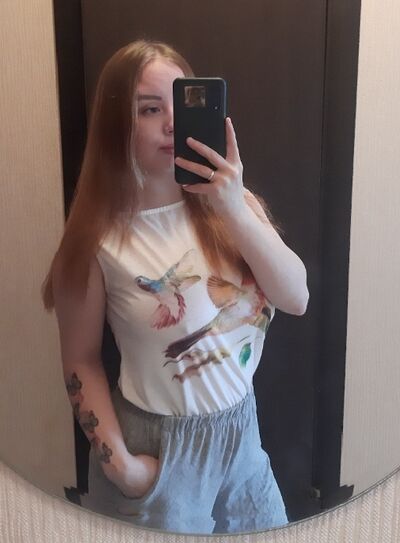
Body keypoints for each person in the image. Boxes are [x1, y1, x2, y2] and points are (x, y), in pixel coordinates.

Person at [41, 39, 309, 534]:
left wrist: (233, 207)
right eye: (149, 109)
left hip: (242, 438)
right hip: (159, 452)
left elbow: (296, 298)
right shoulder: (100, 240)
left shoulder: (234, 205)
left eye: (179, 105)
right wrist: (124, 469)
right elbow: (80, 360)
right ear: (117, 124)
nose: (170, 123)